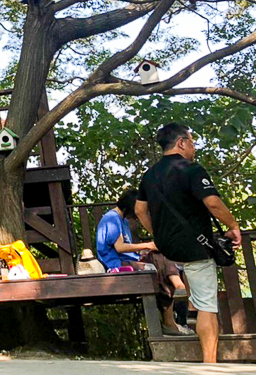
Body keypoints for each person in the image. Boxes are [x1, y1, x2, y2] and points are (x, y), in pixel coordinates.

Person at [136, 122, 242, 364]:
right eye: (192, 142)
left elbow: (140, 209)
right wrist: (233, 227)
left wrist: (157, 232)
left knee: (189, 293)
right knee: (206, 303)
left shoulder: (149, 175)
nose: (193, 147)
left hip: (166, 248)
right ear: (181, 142)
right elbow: (213, 203)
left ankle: (175, 321)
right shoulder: (192, 170)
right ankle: (209, 364)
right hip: (195, 247)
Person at [97, 189, 189, 334]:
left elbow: (128, 248)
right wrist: (147, 245)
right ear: (130, 207)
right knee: (159, 262)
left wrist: (143, 251)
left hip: (129, 259)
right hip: (117, 264)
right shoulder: (111, 218)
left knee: (160, 256)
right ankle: (177, 292)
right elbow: (120, 248)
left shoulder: (123, 220)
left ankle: (177, 292)